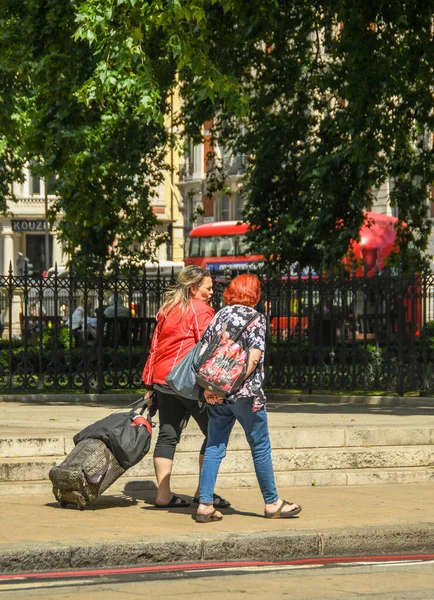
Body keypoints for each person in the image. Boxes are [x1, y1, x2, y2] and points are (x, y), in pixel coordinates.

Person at [195, 273, 302, 522]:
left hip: (216, 394)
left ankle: (205, 505)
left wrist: (211, 387)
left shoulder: (220, 314)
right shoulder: (257, 319)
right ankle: (272, 503)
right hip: (246, 394)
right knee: (260, 446)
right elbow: (253, 357)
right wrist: (235, 383)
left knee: (214, 445)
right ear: (255, 295)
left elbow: (204, 350)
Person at [142, 265, 230, 509]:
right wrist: (215, 385)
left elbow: (154, 347)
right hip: (189, 383)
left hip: (162, 380)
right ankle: (204, 492)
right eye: (208, 288)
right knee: (215, 432)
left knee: (168, 436)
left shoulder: (167, 309)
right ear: (194, 288)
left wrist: (148, 383)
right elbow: (209, 349)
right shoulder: (201, 310)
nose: (212, 292)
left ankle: (163, 495)